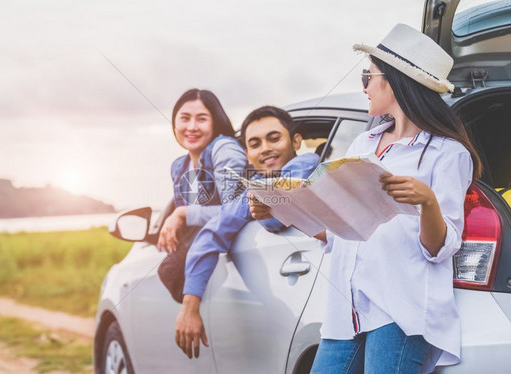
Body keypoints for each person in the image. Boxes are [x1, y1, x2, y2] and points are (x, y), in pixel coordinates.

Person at [251, 24, 482, 373]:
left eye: (368, 75)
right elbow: (339, 231)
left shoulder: (447, 154)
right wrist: (281, 206)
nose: (364, 86)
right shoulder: (362, 146)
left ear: (393, 80)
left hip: (400, 314)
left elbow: (442, 247)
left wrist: (428, 202)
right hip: (346, 312)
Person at [175, 106, 320, 359]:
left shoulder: (307, 164)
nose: (265, 148)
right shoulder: (250, 194)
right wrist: (190, 304)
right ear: (247, 155)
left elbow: (276, 216)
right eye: (255, 143)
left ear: (296, 141)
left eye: (274, 138)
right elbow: (210, 235)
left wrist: (257, 204)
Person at [157, 89, 247, 303]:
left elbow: (235, 210)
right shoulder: (179, 166)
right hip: (212, 269)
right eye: (185, 118)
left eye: (202, 119)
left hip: (236, 262)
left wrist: (183, 213)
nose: (192, 127)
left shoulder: (224, 150)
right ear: (174, 123)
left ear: (215, 122)